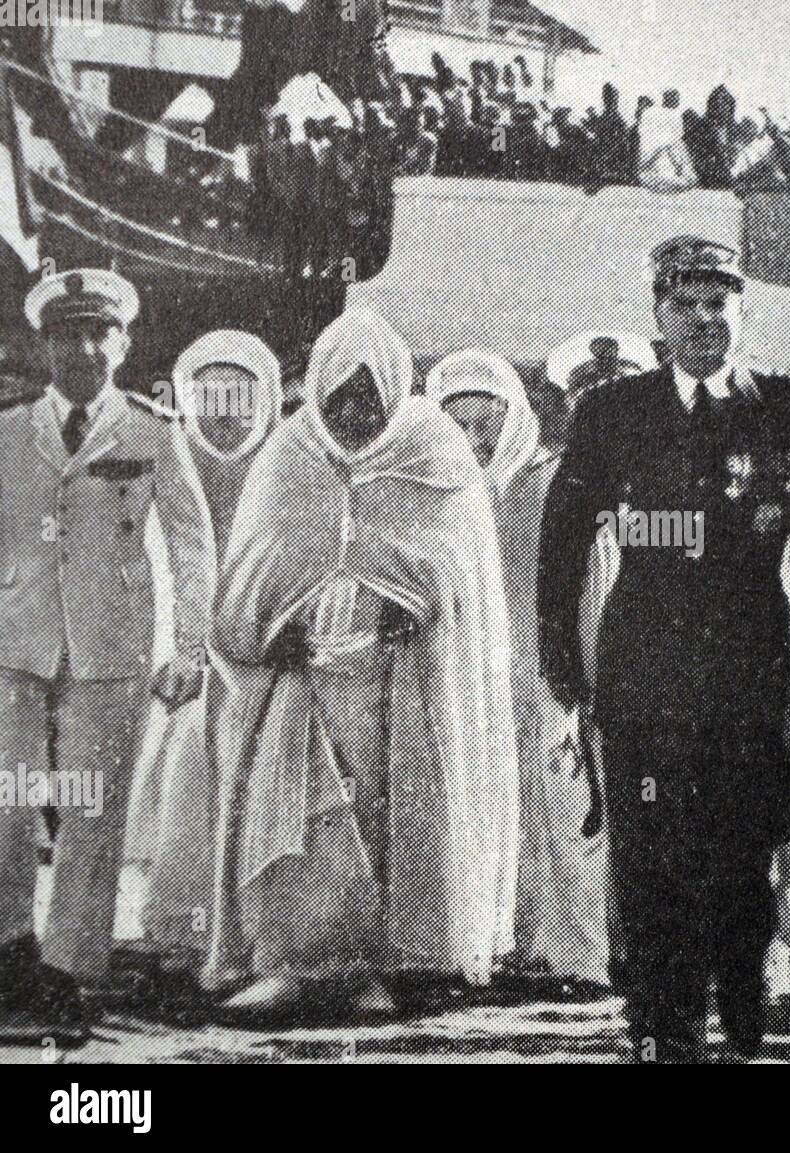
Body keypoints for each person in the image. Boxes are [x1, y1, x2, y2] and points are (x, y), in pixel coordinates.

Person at [537, 237, 790, 1061]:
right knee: (649, 868)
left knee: (744, 868)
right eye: (686, 305)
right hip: (644, 677)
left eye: (720, 303)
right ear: (658, 317)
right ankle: (664, 1040)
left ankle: (743, 1031)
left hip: (753, 679)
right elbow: (562, 544)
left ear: (741, 310)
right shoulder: (612, 412)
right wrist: (565, 673)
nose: (705, 320)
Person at [203, 309, 519, 1019]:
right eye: (338, 397)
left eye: (366, 398)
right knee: (302, 818)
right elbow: (246, 580)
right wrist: (266, 633)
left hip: (395, 680)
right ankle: (296, 961)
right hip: (303, 679)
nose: (352, 414)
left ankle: (373, 965)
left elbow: (462, 572)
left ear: (392, 393)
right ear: (317, 393)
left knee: (382, 815)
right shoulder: (289, 454)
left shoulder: (434, 450)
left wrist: (420, 603)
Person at [0, 269, 215, 1043]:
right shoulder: (7, 429)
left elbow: (193, 545)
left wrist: (191, 646)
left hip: (112, 648)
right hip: (15, 645)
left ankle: (68, 969)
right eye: (66, 336)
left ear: (122, 344)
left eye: (98, 335)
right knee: (6, 804)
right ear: (44, 343)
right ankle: (7, 949)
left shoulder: (152, 430)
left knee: (92, 812)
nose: (82, 350)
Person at [432, 347, 630, 995]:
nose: (473, 437)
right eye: (456, 423)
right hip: (476, 687)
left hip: (553, 680)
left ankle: (583, 956)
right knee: (491, 814)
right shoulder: (439, 491)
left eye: (484, 421)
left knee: (568, 813)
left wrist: (590, 675)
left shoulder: (553, 482)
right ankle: (507, 941)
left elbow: (592, 584)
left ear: (512, 417)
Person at [126, 332, 284, 963]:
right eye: (210, 397)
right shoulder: (164, 454)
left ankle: (257, 929)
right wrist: (183, 646)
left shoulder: (291, 462)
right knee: (192, 784)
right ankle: (185, 925)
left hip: (265, 653)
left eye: (240, 398)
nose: (224, 414)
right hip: (195, 654)